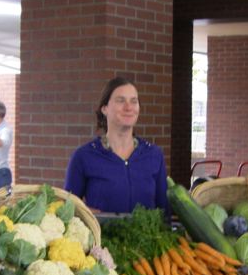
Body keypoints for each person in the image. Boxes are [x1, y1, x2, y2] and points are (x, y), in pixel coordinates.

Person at [64, 76, 169, 215]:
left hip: (147, 230)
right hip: (102, 230)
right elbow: (67, 209)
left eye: (134, 101)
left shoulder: (154, 155)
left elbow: (164, 211)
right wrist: (85, 213)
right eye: (120, 100)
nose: (128, 107)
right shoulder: (83, 156)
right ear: (104, 108)